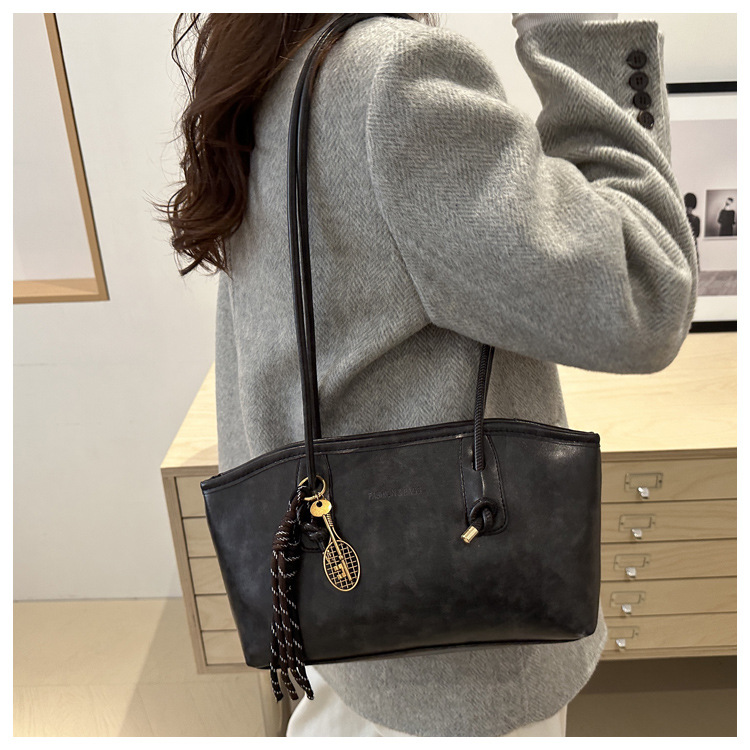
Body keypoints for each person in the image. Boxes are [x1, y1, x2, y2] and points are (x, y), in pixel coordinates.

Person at [161, 12, 698, 737]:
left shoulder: (280, 68)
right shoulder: (394, 78)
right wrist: (583, 27)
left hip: (351, 623)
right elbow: (645, 288)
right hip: (458, 671)